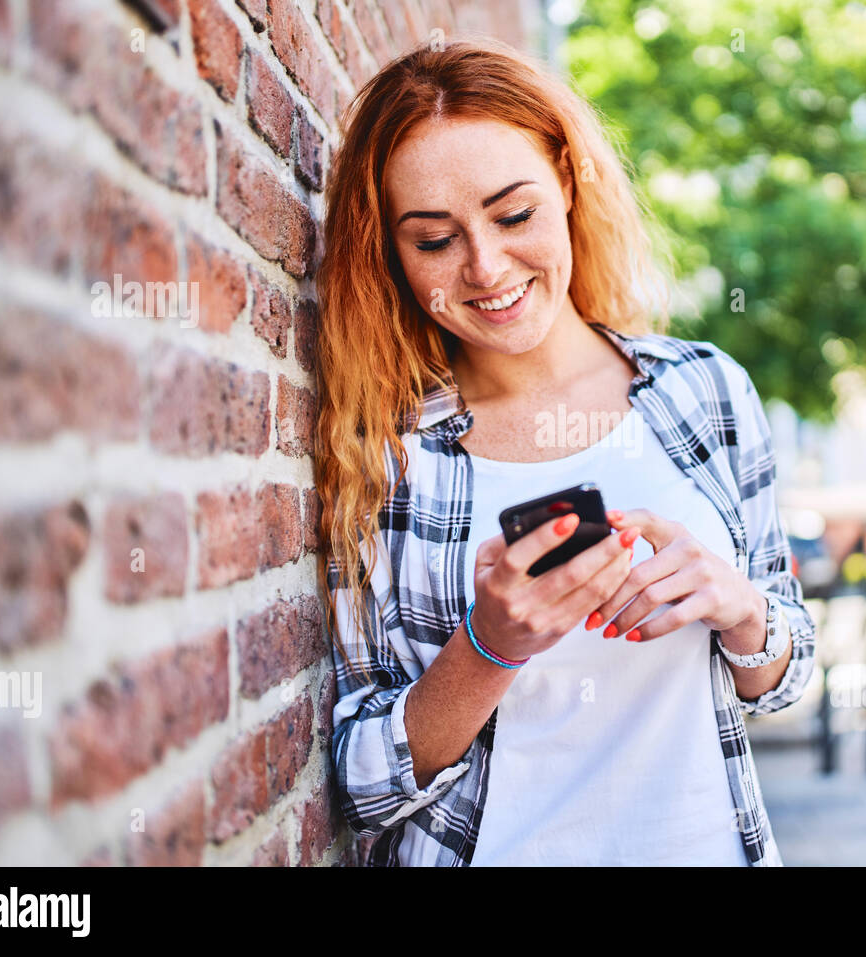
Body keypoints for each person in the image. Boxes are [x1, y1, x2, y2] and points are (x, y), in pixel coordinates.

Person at [315, 36, 818, 866]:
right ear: (392, 257)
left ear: (569, 179)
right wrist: (491, 644)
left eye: (515, 216)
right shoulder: (386, 456)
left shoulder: (705, 391)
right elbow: (360, 784)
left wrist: (739, 608)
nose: (486, 268)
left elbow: (787, 685)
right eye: (434, 241)